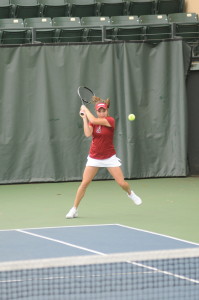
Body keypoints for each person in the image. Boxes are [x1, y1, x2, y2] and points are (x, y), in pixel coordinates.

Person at [66, 96, 142, 218]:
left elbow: (95, 120)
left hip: (109, 158)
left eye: (104, 110)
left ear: (107, 111)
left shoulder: (110, 120)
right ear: (96, 112)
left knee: (122, 183)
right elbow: (87, 134)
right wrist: (84, 118)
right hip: (94, 157)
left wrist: (85, 109)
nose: (102, 113)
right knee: (84, 183)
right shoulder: (92, 121)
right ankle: (74, 209)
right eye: (99, 111)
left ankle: (130, 193)